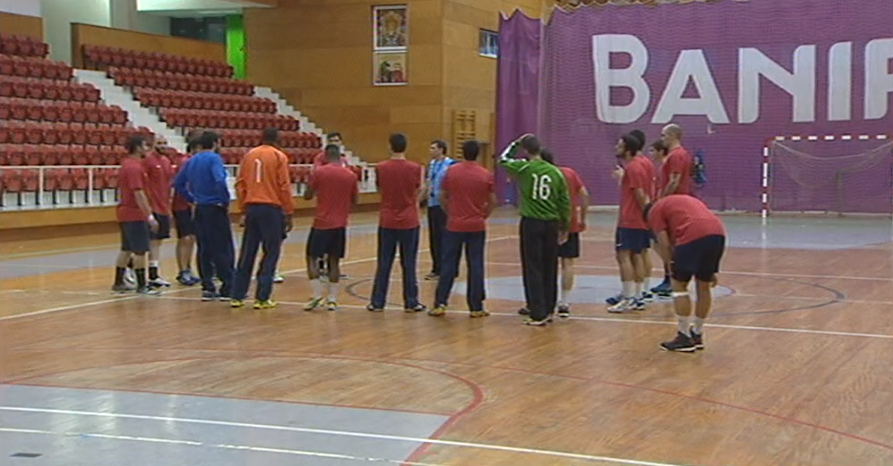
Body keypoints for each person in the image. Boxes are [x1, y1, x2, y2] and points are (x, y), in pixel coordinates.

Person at [499, 134, 571, 326]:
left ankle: (537, 312)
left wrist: (514, 143)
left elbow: (502, 160)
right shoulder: (556, 173)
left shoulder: (524, 168)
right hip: (552, 223)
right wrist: (565, 226)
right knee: (550, 266)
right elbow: (564, 202)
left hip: (532, 223)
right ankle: (549, 308)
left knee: (533, 267)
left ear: (526, 150)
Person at [644, 194, 726, 352]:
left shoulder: (654, 212)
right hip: (717, 233)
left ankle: (683, 336)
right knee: (704, 285)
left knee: (679, 285)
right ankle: (697, 333)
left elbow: (664, 242)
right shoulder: (678, 202)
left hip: (693, 233)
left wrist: (671, 268)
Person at [428, 139, 496, 318]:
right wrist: (483, 215)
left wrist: (450, 212)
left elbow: (441, 195)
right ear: (478, 154)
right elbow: (493, 201)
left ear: (462, 152)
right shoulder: (485, 174)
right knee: (476, 264)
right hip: (476, 226)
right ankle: (476, 307)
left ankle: (440, 303)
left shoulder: (451, 172)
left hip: (454, 225)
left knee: (448, 264)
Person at [230, 128, 294, 309]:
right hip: (271, 209)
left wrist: (243, 208)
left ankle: (237, 295)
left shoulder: (249, 155)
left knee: (247, 252)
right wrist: (288, 212)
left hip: (252, 207)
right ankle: (262, 297)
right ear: (277, 140)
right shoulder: (278, 156)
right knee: (271, 252)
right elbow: (284, 186)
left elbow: (240, 184)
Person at [367, 133, 427, 313]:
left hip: (387, 219)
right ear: (405, 146)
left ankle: (378, 302)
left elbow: (379, 188)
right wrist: (413, 202)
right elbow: (422, 188)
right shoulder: (415, 167)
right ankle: (411, 301)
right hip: (409, 219)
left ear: (390, 146)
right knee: (409, 263)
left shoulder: (381, 167)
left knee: (384, 262)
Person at [173, 131, 234, 301]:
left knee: (204, 248)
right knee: (222, 247)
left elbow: (177, 183)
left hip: (199, 208)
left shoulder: (191, 160)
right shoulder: (214, 159)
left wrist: (191, 198)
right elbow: (220, 181)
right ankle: (227, 285)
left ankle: (207, 287)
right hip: (214, 207)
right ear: (216, 143)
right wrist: (224, 200)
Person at [303, 144, 359, 311]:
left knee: (311, 257)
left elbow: (307, 195)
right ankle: (333, 299)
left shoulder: (319, 172)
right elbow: (355, 200)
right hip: (340, 224)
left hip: (321, 222)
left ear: (325, 156)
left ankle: (317, 294)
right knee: (334, 261)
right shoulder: (350, 175)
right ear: (340, 157)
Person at [607, 133, 653, 313]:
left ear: (628, 149)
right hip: (639, 219)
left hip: (630, 219)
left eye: (619, 145)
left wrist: (646, 212)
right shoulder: (645, 163)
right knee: (637, 255)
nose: (616, 148)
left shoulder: (633, 167)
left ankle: (628, 297)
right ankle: (638, 295)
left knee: (623, 256)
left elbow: (640, 193)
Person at [541, 149, 589, 319]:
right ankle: (564, 303)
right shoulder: (569, 173)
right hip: (571, 224)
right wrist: (582, 217)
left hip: (550, 223)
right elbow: (584, 195)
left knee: (545, 264)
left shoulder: (541, 176)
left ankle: (544, 302)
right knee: (567, 263)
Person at [110, 135, 160, 296]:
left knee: (126, 248)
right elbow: (139, 193)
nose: (148, 149)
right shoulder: (134, 168)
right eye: (146, 145)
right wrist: (150, 216)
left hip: (125, 212)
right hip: (134, 213)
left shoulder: (127, 164)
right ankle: (142, 285)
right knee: (140, 251)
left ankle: (118, 282)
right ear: (138, 147)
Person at [652, 123, 694, 296]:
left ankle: (673, 277)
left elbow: (674, 181)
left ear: (672, 136)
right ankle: (669, 277)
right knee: (663, 242)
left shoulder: (677, 155)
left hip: (673, 202)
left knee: (666, 242)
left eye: (664, 135)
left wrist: (662, 201)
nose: (662, 139)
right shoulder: (675, 155)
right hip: (673, 201)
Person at [308, 131, 351, 282]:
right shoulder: (321, 159)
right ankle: (322, 266)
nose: (334, 142)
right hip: (325, 203)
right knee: (320, 244)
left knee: (334, 248)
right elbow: (315, 178)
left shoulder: (344, 160)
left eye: (337, 140)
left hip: (339, 206)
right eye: (332, 140)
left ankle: (331, 268)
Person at [141, 135, 174, 288]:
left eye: (165, 143)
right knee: (148, 241)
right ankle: (133, 268)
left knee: (158, 241)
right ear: (153, 145)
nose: (163, 146)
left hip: (164, 207)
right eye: (160, 143)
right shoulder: (148, 161)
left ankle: (154, 274)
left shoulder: (166, 162)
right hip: (152, 206)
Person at [170, 131, 201, 286]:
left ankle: (188, 268)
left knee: (191, 238)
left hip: (191, 205)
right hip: (182, 205)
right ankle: (183, 270)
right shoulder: (185, 162)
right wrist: (191, 200)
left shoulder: (194, 161)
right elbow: (182, 183)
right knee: (185, 238)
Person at [422, 140, 455, 281]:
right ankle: (436, 268)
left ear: (441, 149)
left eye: (433, 148)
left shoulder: (451, 165)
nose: (430, 150)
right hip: (432, 204)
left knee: (446, 238)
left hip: (445, 206)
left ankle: (449, 268)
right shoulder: (431, 165)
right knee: (434, 238)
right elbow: (427, 183)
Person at [648, 139, 672, 297]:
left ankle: (671, 276)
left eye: (652, 150)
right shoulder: (660, 167)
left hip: (661, 207)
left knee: (661, 243)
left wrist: (659, 202)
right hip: (658, 204)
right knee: (657, 243)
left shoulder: (664, 166)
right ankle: (668, 277)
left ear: (661, 151)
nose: (650, 154)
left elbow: (667, 185)